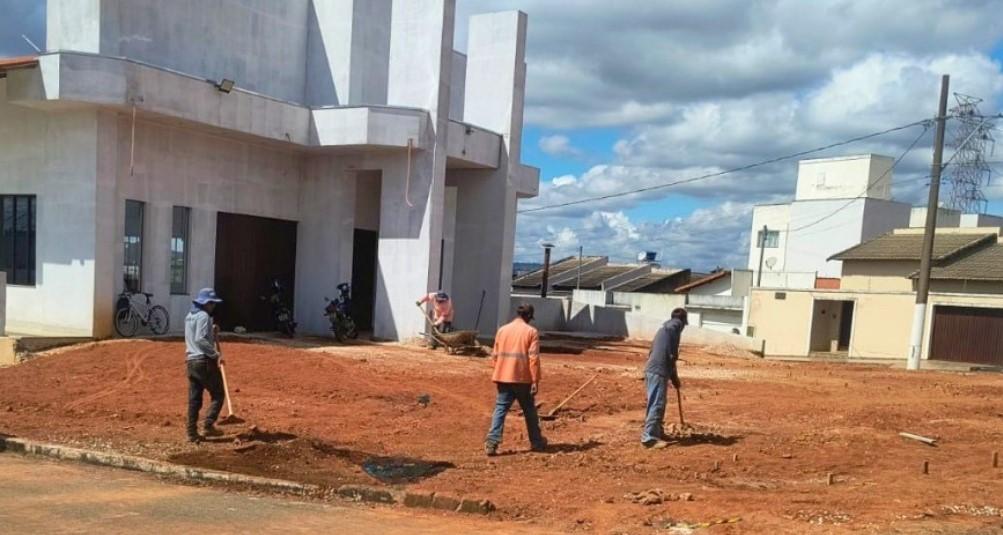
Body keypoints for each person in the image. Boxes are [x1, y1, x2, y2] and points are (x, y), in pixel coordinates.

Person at [484, 304, 547, 456]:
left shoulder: (502, 330)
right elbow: (533, 358)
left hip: (503, 377)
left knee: (500, 409)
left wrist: (498, 372)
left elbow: (495, 355)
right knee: (529, 410)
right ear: (528, 316)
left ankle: (492, 443)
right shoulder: (531, 332)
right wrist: (535, 380)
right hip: (522, 378)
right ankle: (536, 442)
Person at [641, 307, 688, 448]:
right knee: (657, 403)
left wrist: (673, 377)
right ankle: (649, 438)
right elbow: (671, 356)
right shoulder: (674, 328)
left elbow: (663, 354)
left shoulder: (664, 329)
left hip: (653, 369)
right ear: (683, 321)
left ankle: (656, 432)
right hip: (658, 370)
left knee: (657, 403)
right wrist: (674, 378)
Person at [185, 288, 225, 443]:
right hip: (204, 361)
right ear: (206, 303)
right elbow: (200, 339)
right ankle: (208, 424)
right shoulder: (203, 316)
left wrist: (211, 330)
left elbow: (196, 336)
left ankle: (191, 432)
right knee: (218, 393)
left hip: (191, 361)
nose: (213, 306)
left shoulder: (190, 316)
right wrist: (216, 354)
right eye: (212, 303)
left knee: (194, 399)